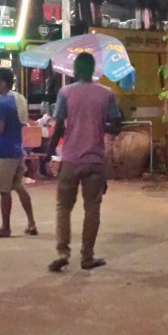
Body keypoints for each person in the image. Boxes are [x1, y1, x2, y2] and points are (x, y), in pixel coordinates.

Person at [46, 52, 122, 272]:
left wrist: (48, 154)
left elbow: (59, 126)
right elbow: (116, 126)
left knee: (63, 206)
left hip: (70, 159)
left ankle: (62, 252)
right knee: (92, 208)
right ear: (93, 70)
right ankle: (87, 257)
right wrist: (99, 126)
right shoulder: (106, 94)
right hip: (95, 160)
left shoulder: (66, 92)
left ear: (76, 71)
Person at [0, 68, 37, 239]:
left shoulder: (1, 103)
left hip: (4, 151)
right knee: (19, 186)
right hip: (17, 149)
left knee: (4, 190)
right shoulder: (18, 98)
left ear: (3, 83)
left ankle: (5, 227)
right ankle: (31, 223)